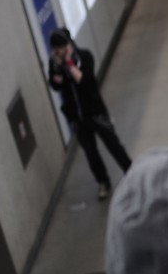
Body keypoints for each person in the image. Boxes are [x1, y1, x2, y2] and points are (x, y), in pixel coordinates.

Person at [48, 28, 132, 200]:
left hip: (95, 111)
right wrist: (57, 71)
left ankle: (132, 173)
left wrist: (69, 65)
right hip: (77, 117)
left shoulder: (85, 57)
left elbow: (83, 81)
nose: (57, 52)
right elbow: (55, 84)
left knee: (113, 144)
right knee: (90, 153)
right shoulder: (54, 63)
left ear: (69, 45)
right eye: (55, 49)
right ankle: (103, 182)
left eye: (61, 48)